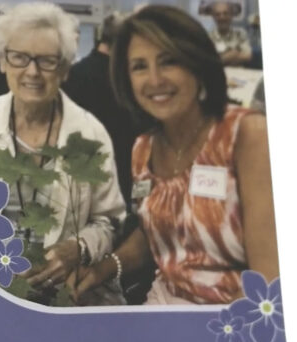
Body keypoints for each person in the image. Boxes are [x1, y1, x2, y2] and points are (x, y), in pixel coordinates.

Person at [71, 5, 276, 305]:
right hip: (162, 311)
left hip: (233, 323)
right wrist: (101, 269)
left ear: (198, 64)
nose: (154, 80)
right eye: (139, 66)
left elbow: (269, 280)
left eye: (168, 62)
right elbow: (161, 227)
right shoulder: (143, 148)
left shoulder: (247, 135)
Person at [0, 2, 126, 304]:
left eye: (47, 61)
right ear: (2, 62)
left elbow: (110, 221)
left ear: (64, 69)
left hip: (66, 295)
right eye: (19, 57)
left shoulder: (90, 134)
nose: (32, 72)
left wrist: (79, 247)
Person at [63, 11, 139, 204]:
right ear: (124, 43)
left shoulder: (73, 74)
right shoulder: (126, 80)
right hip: (120, 171)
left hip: (78, 171)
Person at [208, 1, 252, 66]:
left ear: (231, 15)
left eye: (225, 13)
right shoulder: (209, 37)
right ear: (213, 18)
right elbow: (208, 61)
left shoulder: (240, 34)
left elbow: (248, 56)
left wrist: (220, 59)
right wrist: (233, 54)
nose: (222, 17)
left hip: (238, 74)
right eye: (218, 14)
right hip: (217, 74)